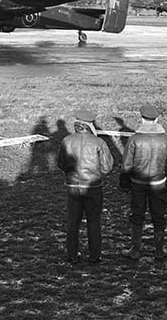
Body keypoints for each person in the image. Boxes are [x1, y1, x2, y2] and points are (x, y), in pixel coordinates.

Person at [119, 104, 167, 261]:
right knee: (159, 216)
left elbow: (126, 165)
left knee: (137, 215)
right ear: (157, 119)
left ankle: (135, 249)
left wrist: (124, 184)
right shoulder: (166, 140)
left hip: (138, 183)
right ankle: (159, 250)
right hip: (159, 184)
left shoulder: (134, 139)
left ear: (141, 118)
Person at [57, 109, 113, 264]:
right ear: (90, 124)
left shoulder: (67, 141)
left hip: (73, 185)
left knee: (73, 221)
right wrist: (97, 175)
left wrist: (70, 174)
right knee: (94, 221)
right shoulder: (98, 142)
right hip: (93, 186)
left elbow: (60, 163)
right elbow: (107, 166)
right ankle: (95, 256)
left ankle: (72, 255)